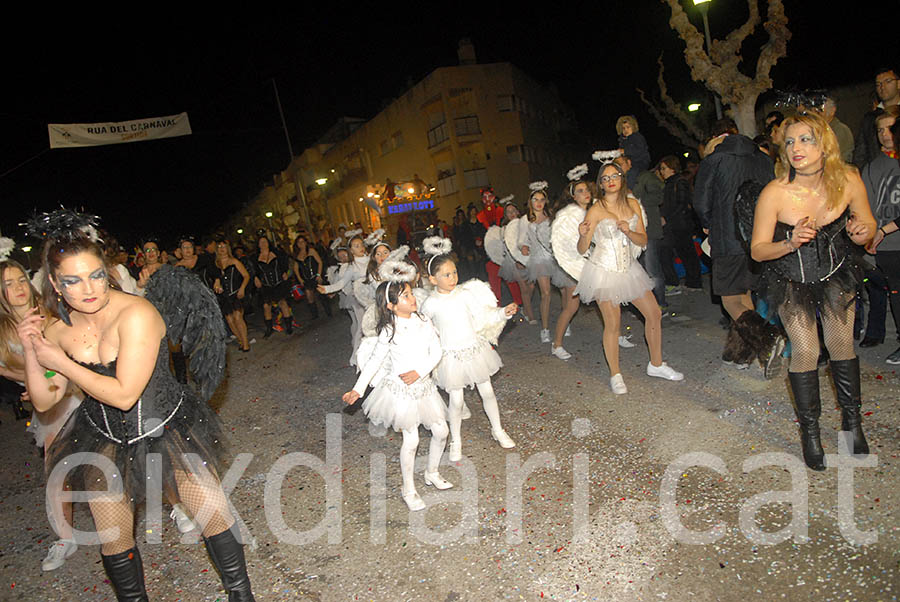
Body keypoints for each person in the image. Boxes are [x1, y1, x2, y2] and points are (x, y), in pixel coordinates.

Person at [18, 210, 255, 600]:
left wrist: (59, 362)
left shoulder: (137, 314)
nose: (88, 288)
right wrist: (32, 351)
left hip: (165, 426)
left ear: (108, 271)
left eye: (96, 275)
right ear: (56, 286)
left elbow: (125, 393)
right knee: (114, 540)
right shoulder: (56, 329)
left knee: (214, 515)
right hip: (102, 436)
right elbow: (45, 400)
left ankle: (241, 595)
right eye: (73, 281)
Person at [749, 111, 876, 471]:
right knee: (806, 348)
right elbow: (758, 250)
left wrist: (861, 232)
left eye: (805, 139)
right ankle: (811, 434)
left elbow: (868, 223)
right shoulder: (775, 193)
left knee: (841, 345)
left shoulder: (848, 179)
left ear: (825, 144)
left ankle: (852, 426)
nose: (795, 148)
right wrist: (789, 243)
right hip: (790, 278)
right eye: (789, 141)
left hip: (836, 274)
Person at [0, 256, 83, 571]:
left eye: (20, 279)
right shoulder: (4, 330)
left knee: (120, 454)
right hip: (48, 407)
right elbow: (8, 368)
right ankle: (66, 537)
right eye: (8, 284)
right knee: (56, 470)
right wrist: (25, 380)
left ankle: (176, 505)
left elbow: (71, 354)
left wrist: (42, 380)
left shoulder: (48, 313)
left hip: (78, 393)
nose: (18, 288)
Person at [343, 273, 451, 512]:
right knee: (411, 440)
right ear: (391, 305)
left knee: (442, 431)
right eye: (405, 296)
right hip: (401, 393)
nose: (412, 298)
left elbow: (436, 350)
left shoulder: (423, 320)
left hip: (424, 387)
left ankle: (432, 472)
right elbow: (373, 363)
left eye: (411, 293)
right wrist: (357, 390)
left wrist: (420, 372)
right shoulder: (389, 331)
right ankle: (408, 489)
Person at [575, 161, 684, 394]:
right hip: (604, 271)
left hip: (629, 269)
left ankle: (656, 364)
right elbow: (582, 249)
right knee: (612, 324)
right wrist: (583, 235)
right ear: (601, 184)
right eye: (605, 178)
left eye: (615, 175)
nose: (611, 180)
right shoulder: (595, 209)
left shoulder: (633, 203)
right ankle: (615, 374)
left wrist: (628, 230)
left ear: (622, 178)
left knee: (654, 313)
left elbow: (643, 241)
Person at [694, 118, 782, 372]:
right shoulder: (764, 158)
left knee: (730, 301)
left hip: (727, 238)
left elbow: (700, 202)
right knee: (744, 295)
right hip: (758, 238)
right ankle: (742, 354)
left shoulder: (714, 159)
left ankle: (769, 337)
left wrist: (708, 223)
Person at [420, 237, 517, 461]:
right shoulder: (430, 304)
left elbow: (483, 316)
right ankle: (456, 440)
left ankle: (498, 429)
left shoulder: (465, 294)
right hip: (451, 356)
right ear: (433, 279)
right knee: (456, 401)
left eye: (454, 272)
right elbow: (425, 330)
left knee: (488, 392)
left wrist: (503, 312)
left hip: (474, 350)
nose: (452, 278)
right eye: (446, 275)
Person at [861, 111, 900, 363]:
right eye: (880, 130)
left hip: (889, 233)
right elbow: (865, 206)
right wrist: (869, 235)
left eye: (890, 128)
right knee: (896, 296)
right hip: (887, 245)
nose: (885, 134)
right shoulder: (873, 167)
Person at [518, 182, 569, 344]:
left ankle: (565, 322)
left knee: (563, 290)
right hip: (539, 260)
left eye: (541, 199)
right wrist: (524, 246)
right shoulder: (525, 220)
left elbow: (559, 234)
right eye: (535, 199)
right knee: (545, 294)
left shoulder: (551, 217)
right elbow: (521, 240)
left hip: (555, 257)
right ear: (530, 201)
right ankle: (545, 329)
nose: (538, 203)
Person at [318, 231, 369, 365]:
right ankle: (356, 356)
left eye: (361, 244)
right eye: (356, 246)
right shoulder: (352, 267)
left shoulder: (371, 259)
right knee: (362, 326)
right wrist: (327, 289)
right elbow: (342, 283)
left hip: (374, 296)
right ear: (351, 250)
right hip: (359, 298)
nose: (360, 247)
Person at [658, 155, 703, 292]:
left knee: (687, 253)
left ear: (672, 168)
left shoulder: (679, 182)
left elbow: (682, 204)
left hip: (681, 224)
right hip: (675, 224)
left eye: (664, 168)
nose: (662, 171)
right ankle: (692, 281)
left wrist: (667, 218)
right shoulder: (670, 183)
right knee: (683, 253)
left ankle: (695, 282)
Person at [632, 162, 667, 306]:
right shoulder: (625, 180)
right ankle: (646, 305)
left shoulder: (646, 177)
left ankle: (660, 302)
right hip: (634, 232)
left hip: (649, 230)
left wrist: (635, 202)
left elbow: (658, 197)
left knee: (652, 268)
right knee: (640, 270)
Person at [854, 67, 900, 168]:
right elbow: (860, 154)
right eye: (878, 84)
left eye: (887, 81)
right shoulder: (869, 118)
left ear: (898, 83)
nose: (882, 87)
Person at [211, 239, 252, 352]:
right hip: (224, 297)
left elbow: (246, 275)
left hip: (236, 293)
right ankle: (241, 340)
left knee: (238, 318)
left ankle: (246, 343)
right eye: (219, 247)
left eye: (224, 246)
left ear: (227, 248)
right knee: (229, 320)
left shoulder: (234, 261)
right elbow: (214, 278)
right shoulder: (215, 264)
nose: (222, 249)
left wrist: (242, 288)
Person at [254, 235, 293, 337]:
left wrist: (285, 272)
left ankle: (289, 326)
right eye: (261, 242)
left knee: (283, 303)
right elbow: (253, 270)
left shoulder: (276, 253)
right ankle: (269, 328)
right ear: (258, 245)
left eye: (265, 241)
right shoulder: (255, 258)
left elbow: (285, 262)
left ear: (268, 242)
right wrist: (255, 278)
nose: (263, 244)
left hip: (278, 283)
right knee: (266, 306)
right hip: (266, 285)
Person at [292, 234, 331, 321]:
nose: (301, 244)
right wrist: (300, 279)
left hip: (315, 276)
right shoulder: (297, 255)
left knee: (321, 294)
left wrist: (318, 274)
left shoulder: (311, 251)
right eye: (299, 242)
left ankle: (328, 311)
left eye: (303, 241)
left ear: (306, 242)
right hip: (306, 279)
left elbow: (320, 262)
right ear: (297, 244)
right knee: (309, 296)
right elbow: (295, 269)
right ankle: (315, 314)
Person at [616, 115, 651, 190]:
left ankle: (630, 190)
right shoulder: (622, 140)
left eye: (628, 127)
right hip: (629, 162)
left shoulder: (637, 137)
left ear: (633, 127)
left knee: (632, 173)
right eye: (623, 128)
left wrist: (625, 151)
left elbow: (640, 150)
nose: (626, 130)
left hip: (640, 161)